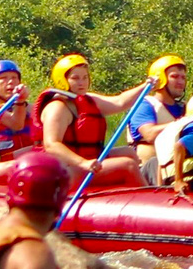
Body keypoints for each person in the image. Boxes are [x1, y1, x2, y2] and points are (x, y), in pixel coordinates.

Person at [36, 53, 146, 189]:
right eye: (75, 78)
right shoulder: (58, 107)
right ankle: (150, 199)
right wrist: (82, 163)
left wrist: (147, 86)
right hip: (62, 170)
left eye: (85, 77)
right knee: (127, 165)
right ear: (62, 80)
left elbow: (120, 102)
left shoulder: (88, 100)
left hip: (87, 161)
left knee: (128, 152)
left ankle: (127, 194)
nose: (82, 82)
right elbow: (51, 145)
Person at [0, 59, 44, 165]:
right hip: (3, 167)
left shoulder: (33, 110)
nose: (11, 82)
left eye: (14, 77)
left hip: (35, 165)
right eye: (3, 78)